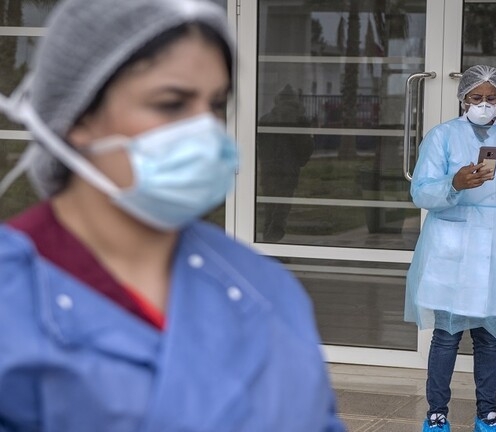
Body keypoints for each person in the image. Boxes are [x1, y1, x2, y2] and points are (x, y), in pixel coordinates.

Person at [0, 0, 345, 430]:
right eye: (171, 104)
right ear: (77, 116)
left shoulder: (263, 289)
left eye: (216, 104)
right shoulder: (13, 301)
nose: (206, 130)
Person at [405, 65, 496, 432]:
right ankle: (436, 415)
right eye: (476, 97)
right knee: (446, 337)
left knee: (489, 338)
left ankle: (488, 415)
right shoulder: (442, 137)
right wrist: (454, 184)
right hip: (452, 250)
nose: (484, 104)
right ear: (463, 99)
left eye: (491, 98)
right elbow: (420, 192)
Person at [257, 84, 315, 242]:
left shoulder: (266, 119)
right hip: (289, 170)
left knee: (270, 208)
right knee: (282, 208)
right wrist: (299, 162)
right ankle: (274, 238)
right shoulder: (300, 120)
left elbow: (259, 145)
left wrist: (265, 160)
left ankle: (268, 241)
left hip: (268, 169)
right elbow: (306, 147)